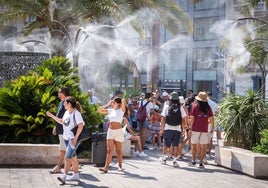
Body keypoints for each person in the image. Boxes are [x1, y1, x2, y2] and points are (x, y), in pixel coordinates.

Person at [46, 96, 85, 184]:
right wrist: (52, 116)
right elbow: (62, 121)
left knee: (67, 158)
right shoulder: (67, 112)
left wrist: (75, 139)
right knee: (73, 158)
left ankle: (64, 177)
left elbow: (81, 126)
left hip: (72, 140)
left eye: (65, 103)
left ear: (70, 104)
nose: (63, 104)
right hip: (66, 139)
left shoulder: (76, 113)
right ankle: (76, 175)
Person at [97, 97, 126, 173]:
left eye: (114, 103)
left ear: (118, 103)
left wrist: (117, 101)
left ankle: (120, 166)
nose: (112, 104)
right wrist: (107, 104)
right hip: (110, 131)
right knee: (109, 150)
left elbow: (123, 100)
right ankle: (106, 167)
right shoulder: (111, 111)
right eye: (112, 103)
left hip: (118, 132)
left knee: (118, 150)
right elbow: (99, 110)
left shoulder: (121, 110)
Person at [160, 91, 187, 166]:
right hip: (177, 129)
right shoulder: (180, 108)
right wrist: (184, 129)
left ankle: (164, 158)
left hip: (168, 128)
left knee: (166, 144)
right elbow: (184, 119)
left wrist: (162, 129)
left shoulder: (166, 107)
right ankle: (174, 160)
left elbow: (163, 119)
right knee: (175, 145)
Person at [188, 92, 214, 169]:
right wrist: (211, 127)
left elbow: (192, 119)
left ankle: (193, 161)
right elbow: (211, 119)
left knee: (194, 145)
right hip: (204, 129)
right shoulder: (208, 108)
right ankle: (201, 163)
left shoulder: (195, 106)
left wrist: (190, 128)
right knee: (204, 146)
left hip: (195, 129)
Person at [49, 87, 69, 174]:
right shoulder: (61, 103)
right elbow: (59, 116)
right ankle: (72, 166)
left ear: (63, 93)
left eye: (59, 92)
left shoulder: (67, 103)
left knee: (62, 150)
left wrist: (51, 116)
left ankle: (58, 167)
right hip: (60, 129)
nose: (58, 93)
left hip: (65, 130)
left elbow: (66, 118)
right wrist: (55, 126)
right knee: (65, 150)